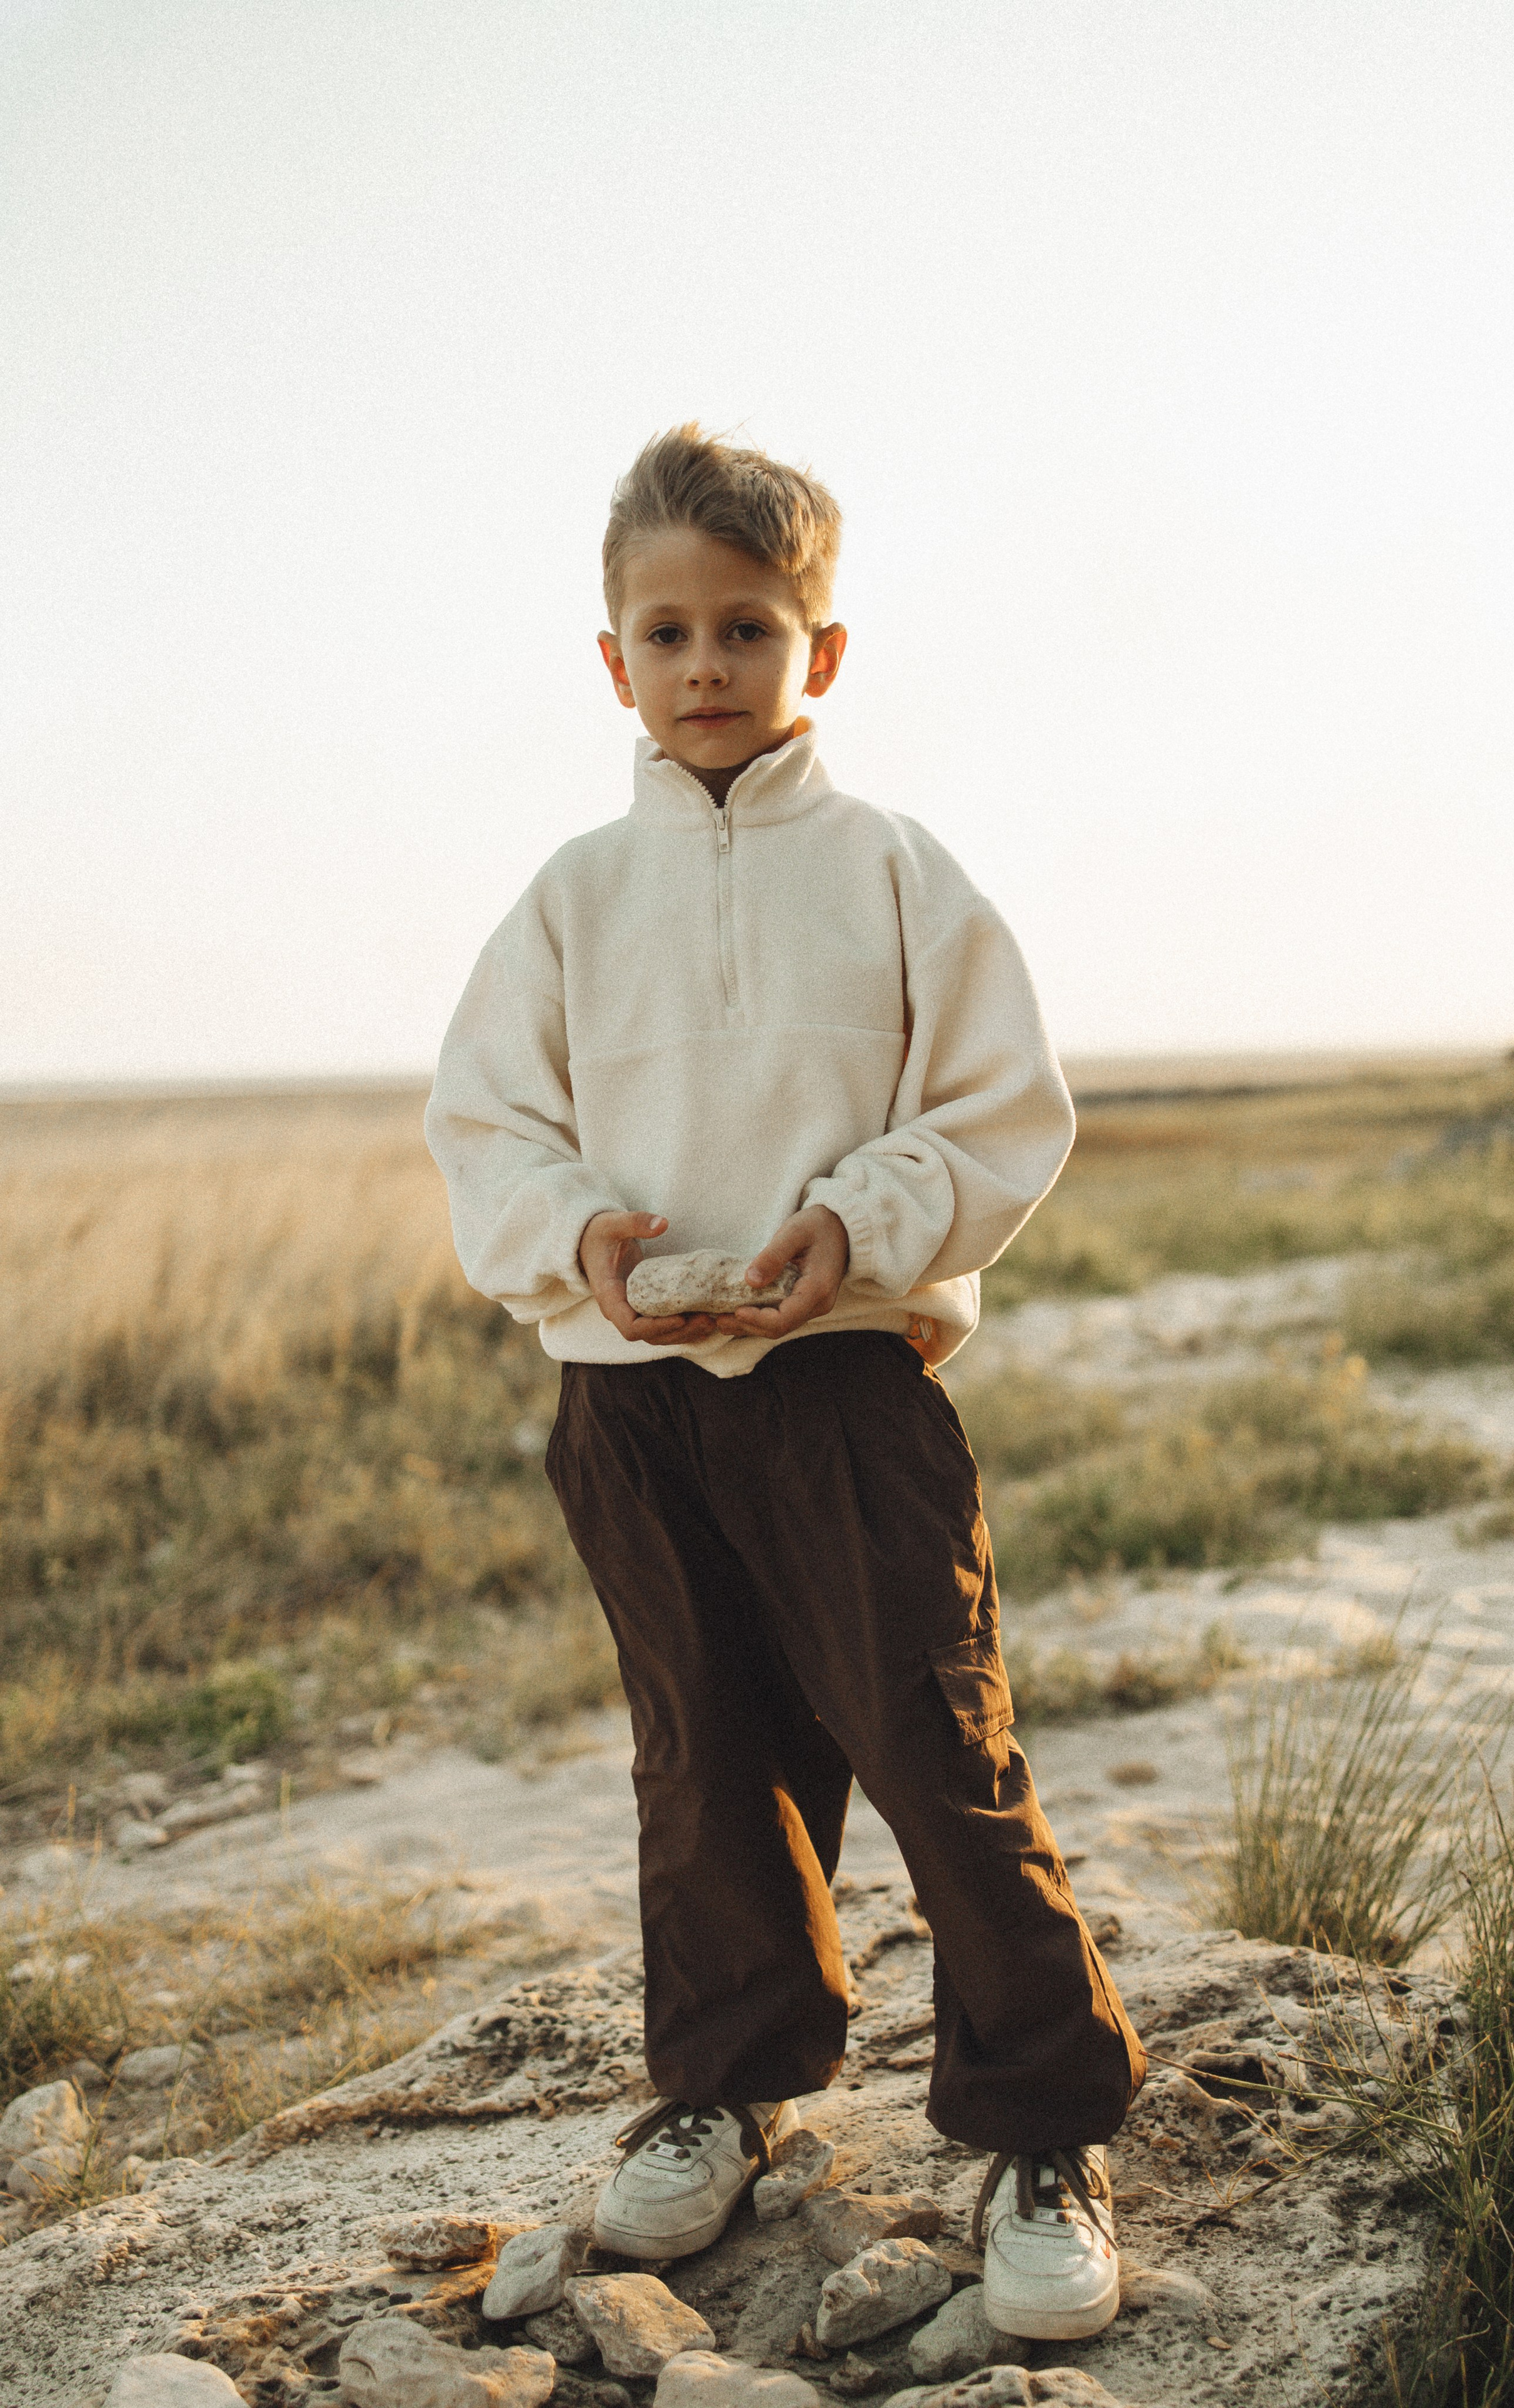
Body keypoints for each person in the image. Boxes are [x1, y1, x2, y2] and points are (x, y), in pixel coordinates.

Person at [425, 425, 1145, 2340]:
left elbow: (999, 1106)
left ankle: (1047, 2130)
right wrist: (583, 1237)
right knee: (706, 1759)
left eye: (749, 626)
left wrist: (864, 1222)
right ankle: (729, 2089)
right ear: (615, 661)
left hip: (843, 1383)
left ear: (819, 648)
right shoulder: (573, 897)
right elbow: (489, 1130)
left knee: (933, 1742)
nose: (708, 665)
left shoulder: (896, 871)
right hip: (632, 1403)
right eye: (668, 633)